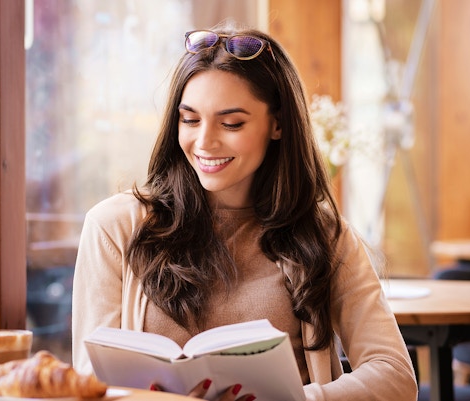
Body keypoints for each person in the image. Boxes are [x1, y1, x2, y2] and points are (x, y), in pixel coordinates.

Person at [72, 24, 418, 401]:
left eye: (231, 123)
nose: (204, 142)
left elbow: (395, 375)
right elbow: (89, 383)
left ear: (278, 124)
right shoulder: (114, 228)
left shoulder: (325, 235)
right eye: (190, 119)